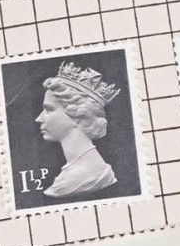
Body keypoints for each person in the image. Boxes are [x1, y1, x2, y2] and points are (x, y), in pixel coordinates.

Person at [32, 60, 121, 200]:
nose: (39, 118)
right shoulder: (80, 169)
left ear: (78, 115)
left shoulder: (86, 175)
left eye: (49, 109)